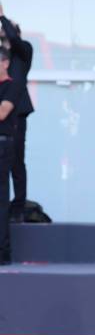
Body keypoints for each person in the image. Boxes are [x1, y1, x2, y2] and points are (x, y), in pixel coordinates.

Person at [0, 4, 34, 223]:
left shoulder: (23, 52)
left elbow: (13, 37)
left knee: (17, 161)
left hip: (17, 115)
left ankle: (19, 206)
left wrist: (3, 17)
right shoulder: (3, 58)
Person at [0, 47, 22, 265]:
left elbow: (2, 113)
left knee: (1, 199)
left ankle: (2, 252)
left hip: (3, 145)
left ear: (5, 63)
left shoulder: (13, 86)